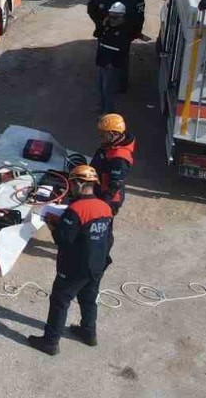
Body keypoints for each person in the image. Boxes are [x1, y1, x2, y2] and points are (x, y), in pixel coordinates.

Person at [26, 164, 114, 356]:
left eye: (73, 184)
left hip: (75, 267)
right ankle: (88, 333)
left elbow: (63, 239)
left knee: (60, 300)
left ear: (79, 183)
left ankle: (50, 342)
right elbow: (109, 238)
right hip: (98, 264)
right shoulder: (105, 207)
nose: (71, 188)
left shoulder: (76, 210)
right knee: (89, 298)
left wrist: (51, 225)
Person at [90, 113, 135, 215]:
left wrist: (103, 205)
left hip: (108, 200)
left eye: (103, 134)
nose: (100, 136)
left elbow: (114, 185)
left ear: (114, 133)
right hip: (99, 192)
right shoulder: (111, 145)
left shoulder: (120, 158)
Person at [95, 4, 132, 114]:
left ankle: (108, 113)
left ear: (122, 17)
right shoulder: (108, 27)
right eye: (111, 16)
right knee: (100, 88)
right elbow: (96, 34)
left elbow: (122, 52)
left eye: (115, 17)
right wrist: (103, 25)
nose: (112, 19)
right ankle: (101, 108)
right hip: (102, 62)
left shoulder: (124, 32)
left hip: (111, 66)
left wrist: (113, 64)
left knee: (108, 91)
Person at [115, 0, 145, 90]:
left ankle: (121, 85)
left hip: (127, 31)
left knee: (123, 59)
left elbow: (140, 16)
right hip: (116, 29)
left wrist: (137, 31)